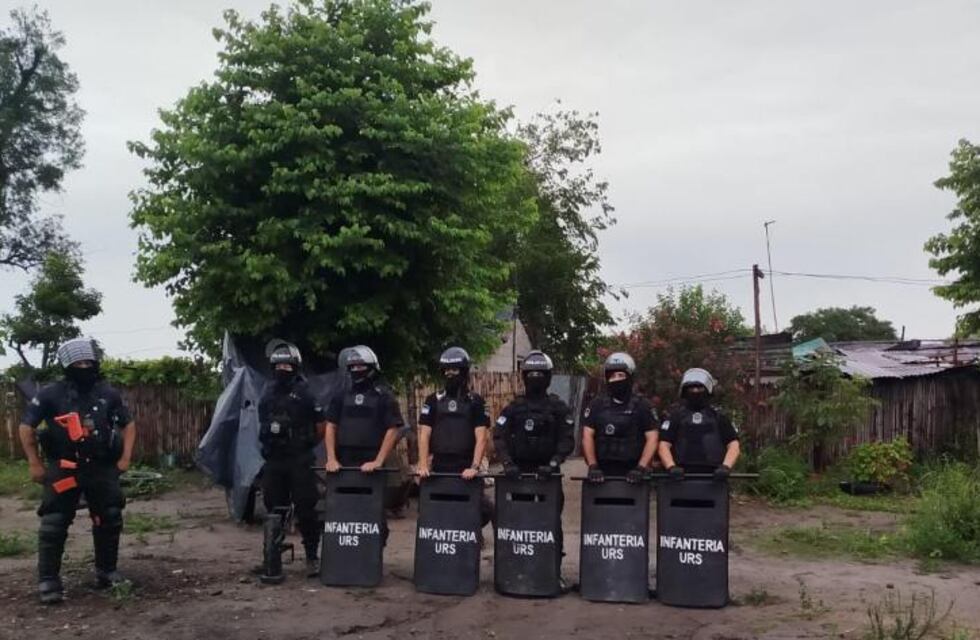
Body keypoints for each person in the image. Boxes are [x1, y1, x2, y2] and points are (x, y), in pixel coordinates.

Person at [17, 338, 137, 604]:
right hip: (64, 467)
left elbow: (128, 425)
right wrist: (34, 462)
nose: (84, 367)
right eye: (78, 363)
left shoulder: (108, 393)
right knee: (54, 522)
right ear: (67, 365)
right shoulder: (50, 394)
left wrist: (125, 458)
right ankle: (49, 580)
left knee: (109, 517)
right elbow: (26, 427)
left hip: (101, 467)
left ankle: (107, 571)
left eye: (88, 362)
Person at [257, 341, 326, 579]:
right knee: (273, 508)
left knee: (307, 508)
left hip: (300, 459)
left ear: (295, 366)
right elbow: (262, 421)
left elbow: (321, 427)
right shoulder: (267, 392)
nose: (282, 369)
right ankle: (272, 558)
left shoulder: (306, 393)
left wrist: (304, 444)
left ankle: (311, 557)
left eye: (287, 365)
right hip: (274, 459)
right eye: (278, 364)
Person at [323, 345, 403, 538]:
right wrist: (331, 458)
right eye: (354, 367)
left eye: (362, 367)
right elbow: (330, 426)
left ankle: (374, 553)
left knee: (373, 513)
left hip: (372, 462)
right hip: (344, 461)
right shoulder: (340, 396)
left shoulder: (384, 396)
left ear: (372, 368)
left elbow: (393, 429)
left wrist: (378, 461)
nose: (357, 371)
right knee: (343, 510)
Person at [416, 346, 492, 526]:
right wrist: (422, 464)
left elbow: (482, 437)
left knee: (480, 509)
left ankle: (472, 538)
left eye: (455, 369)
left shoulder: (476, 402)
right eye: (447, 370)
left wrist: (475, 466)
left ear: (463, 371)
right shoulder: (432, 400)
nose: (450, 374)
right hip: (439, 465)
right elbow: (424, 434)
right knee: (433, 509)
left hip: (466, 466)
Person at [493, 350, 574, 479]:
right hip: (518, 472)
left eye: (540, 374)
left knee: (552, 499)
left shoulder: (558, 407)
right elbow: (499, 436)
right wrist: (507, 463)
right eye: (531, 374)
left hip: (549, 472)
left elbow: (567, 439)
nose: (535, 377)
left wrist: (554, 463)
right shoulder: (514, 407)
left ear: (548, 377)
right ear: (525, 376)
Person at [581, 352, 659, 483]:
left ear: (630, 376)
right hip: (601, 474)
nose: (616, 379)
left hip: (634, 474)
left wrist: (641, 467)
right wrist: (593, 466)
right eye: (612, 376)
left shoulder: (643, 405)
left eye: (621, 375)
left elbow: (652, 438)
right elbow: (587, 436)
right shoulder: (596, 404)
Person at [658, 368, 740, 479]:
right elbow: (664, 444)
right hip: (679, 477)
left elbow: (733, 444)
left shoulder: (719, 417)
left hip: (714, 477)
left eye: (699, 388)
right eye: (691, 388)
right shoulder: (675, 417)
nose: (695, 391)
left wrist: (726, 467)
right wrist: (670, 467)